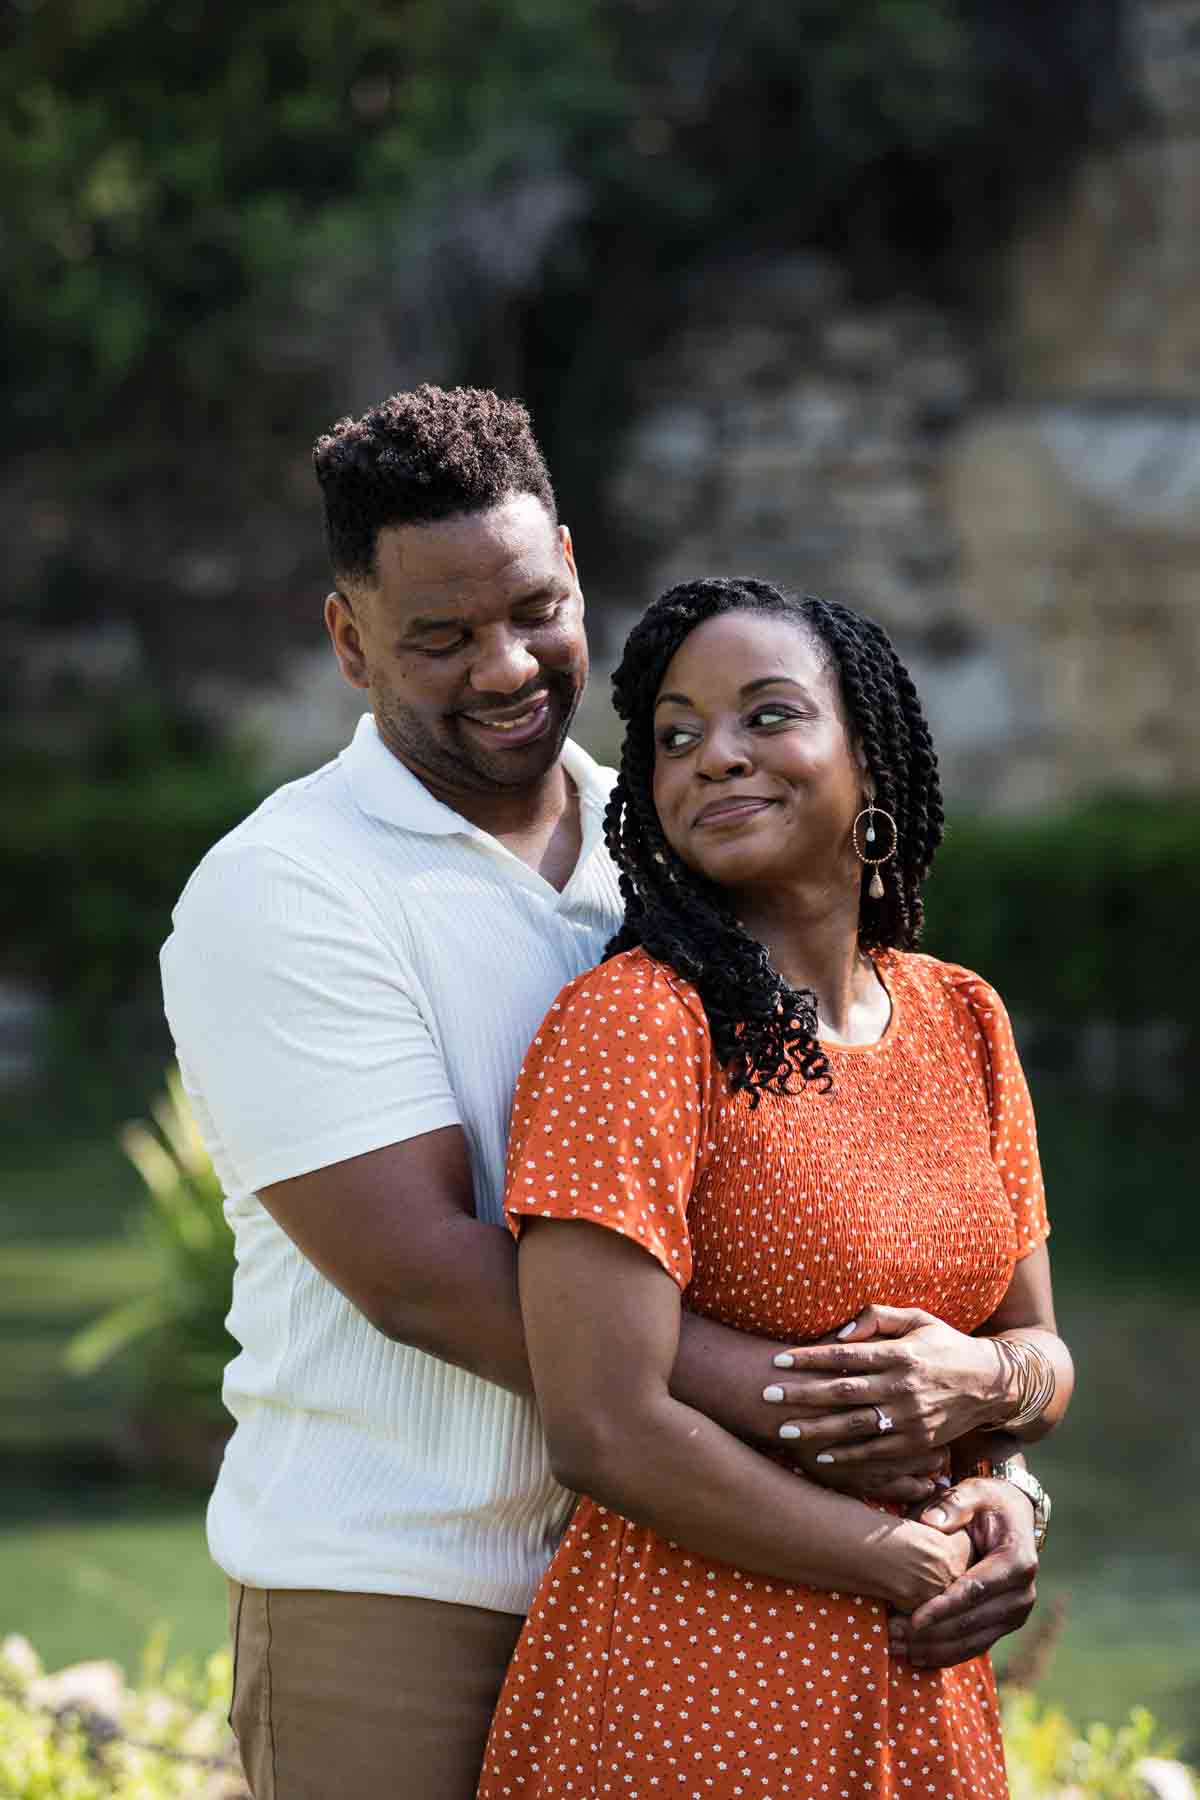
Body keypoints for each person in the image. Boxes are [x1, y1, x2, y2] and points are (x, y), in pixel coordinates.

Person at [161, 389, 1046, 1800]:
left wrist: (982, 1429)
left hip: (696, 1575)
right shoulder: (287, 892)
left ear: (573, 564)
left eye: (535, 608)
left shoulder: (676, 863)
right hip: (406, 1588)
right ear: (349, 640)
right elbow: (426, 1277)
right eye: (439, 639)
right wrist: (854, 1426)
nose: (506, 666)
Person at [477, 578, 1074, 1800]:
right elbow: (605, 1425)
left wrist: (1000, 1458)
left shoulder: (963, 1020)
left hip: (926, 1685)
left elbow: (1040, 1355)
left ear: (869, 760)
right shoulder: (637, 1025)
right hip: (694, 1690)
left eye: (767, 715)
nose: (717, 758)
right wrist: (899, 1563)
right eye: (677, 737)